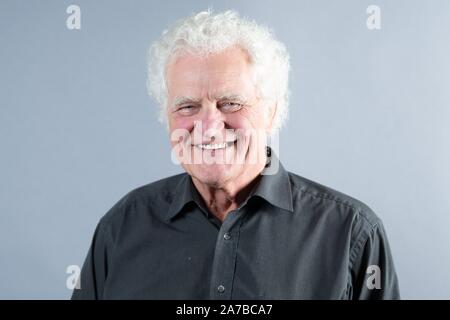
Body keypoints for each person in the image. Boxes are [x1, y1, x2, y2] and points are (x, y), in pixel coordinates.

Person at [72, 10, 400, 300]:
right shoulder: (122, 227)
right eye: (187, 106)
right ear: (166, 115)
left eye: (230, 103)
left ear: (272, 111)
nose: (209, 127)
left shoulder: (351, 233)